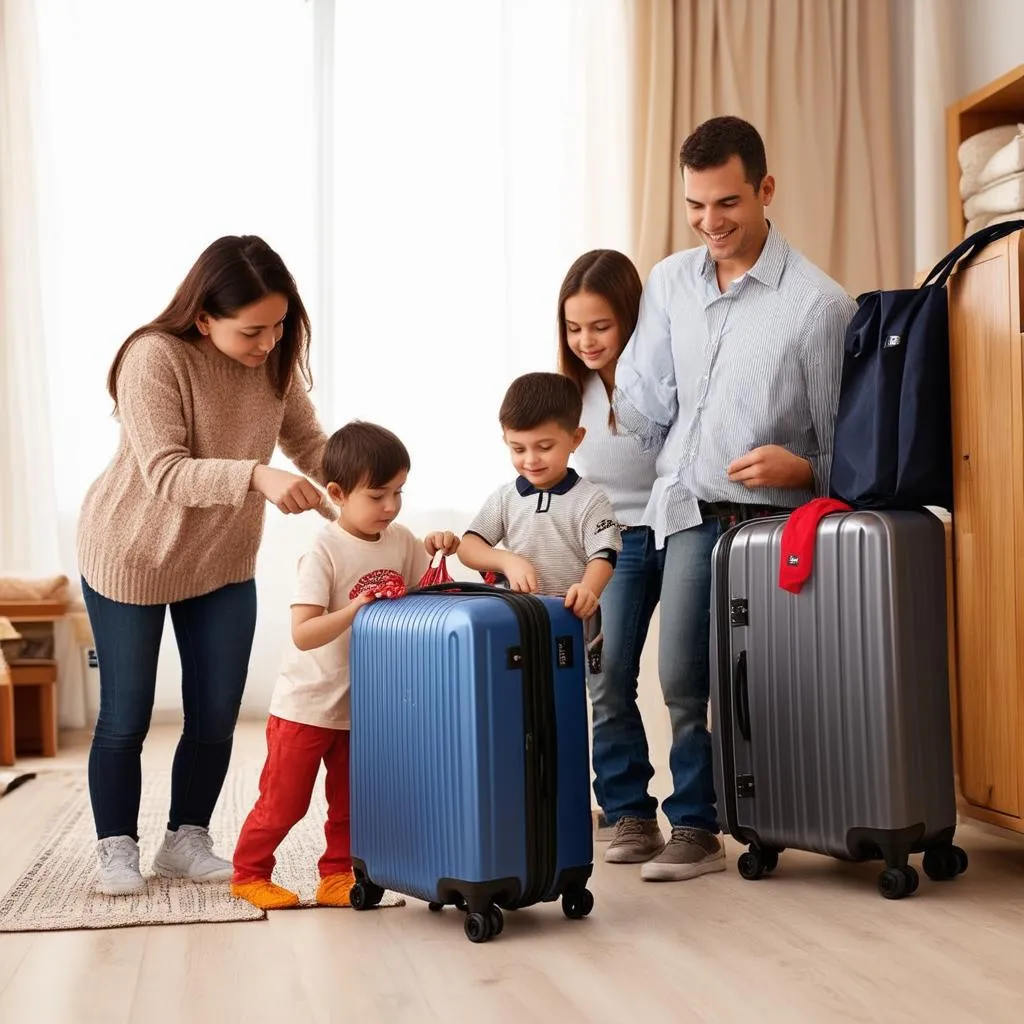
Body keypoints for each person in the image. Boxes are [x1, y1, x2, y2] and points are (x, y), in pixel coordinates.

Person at [613, 115, 858, 882]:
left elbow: (846, 448)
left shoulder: (819, 307)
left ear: (765, 190)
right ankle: (692, 825)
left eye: (726, 204)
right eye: (695, 206)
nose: (709, 223)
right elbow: (647, 407)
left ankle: (740, 820)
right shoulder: (668, 282)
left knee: (750, 686)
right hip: (683, 512)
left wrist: (802, 469)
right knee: (680, 678)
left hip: (767, 527)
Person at [78, 235, 333, 896]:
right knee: (126, 715)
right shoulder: (152, 357)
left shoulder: (273, 359)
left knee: (216, 711)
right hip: (131, 555)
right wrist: (256, 476)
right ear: (204, 318)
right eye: (253, 330)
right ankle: (116, 849)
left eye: (280, 326)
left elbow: (309, 441)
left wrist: (366, 491)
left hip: (219, 560)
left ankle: (186, 840)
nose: (269, 343)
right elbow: (164, 472)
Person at [231, 420, 460, 909]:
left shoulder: (400, 540)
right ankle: (249, 872)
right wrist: (355, 612)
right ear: (336, 493)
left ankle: (337, 875)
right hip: (306, 706)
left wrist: (438, 548)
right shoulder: (323, 550)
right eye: (378, 495)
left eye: (399, 492)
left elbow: (430, 597)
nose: (392, 506)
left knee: (353, 804)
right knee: (284, 803)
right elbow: (304, 632)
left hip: (365, 706)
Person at [556, 249, 666, 866]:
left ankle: (701, 818)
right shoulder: (570, 392)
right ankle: (629, 813)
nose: (586, 340)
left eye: (600, 325)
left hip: (677, 529)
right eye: (574, 328)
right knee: (607, 679)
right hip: (612, 546)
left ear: (628, 317)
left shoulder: (657, 374)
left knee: (688, 680)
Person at [458, 372, 622, 622]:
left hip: (569, 618)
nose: (531, 460)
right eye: (518, 449)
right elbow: (468, 547)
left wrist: (589, 589)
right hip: (514, 618)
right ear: (505, 440)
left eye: (545, 447)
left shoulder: (590, 500)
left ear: (575, 439)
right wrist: (507, 561)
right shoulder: (505, 497)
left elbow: (604, 555)